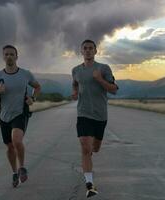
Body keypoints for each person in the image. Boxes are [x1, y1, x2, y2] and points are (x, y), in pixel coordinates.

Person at [0, 45, 41, 187]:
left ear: (16, 56)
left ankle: (22, 168)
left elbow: (37, 87)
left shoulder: (25, 74)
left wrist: (32, 99)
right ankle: (14, 173)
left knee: (16, 141)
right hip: (4, 116)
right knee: (9, 147)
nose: (9, 56)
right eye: (6, 54)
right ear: (3, 57)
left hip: (21, 113)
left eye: (12, 54)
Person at [71, 39, 118, 198]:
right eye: (85, 48)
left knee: (94, 148)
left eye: (91, 48)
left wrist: (99, 79)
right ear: (81, 51)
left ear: (96, 51)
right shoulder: (76, 70)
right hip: (83, 113)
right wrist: (75, 92)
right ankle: (90, 184)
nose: (88, 50)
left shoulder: (103, 68)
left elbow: (114, 90)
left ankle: (92, 151)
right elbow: (75, 83)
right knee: (85, 146)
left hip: (100, 115)